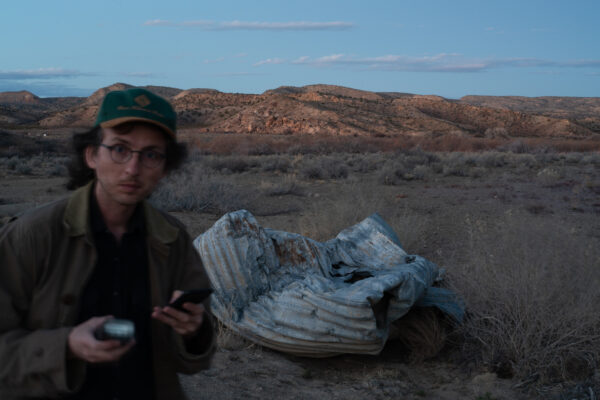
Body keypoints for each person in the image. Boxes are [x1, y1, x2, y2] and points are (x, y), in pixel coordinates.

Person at [0, 88, 216, 400]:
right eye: (119, 149)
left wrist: (195, 331)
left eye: (151, 155)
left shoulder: (173, 239)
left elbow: (198, 358)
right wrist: (67, 345)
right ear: (91, 155)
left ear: (165, 168)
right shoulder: (30, 236)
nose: (132, 169)